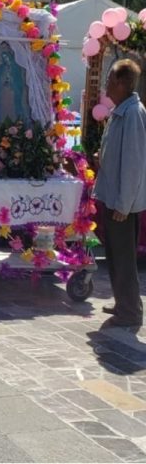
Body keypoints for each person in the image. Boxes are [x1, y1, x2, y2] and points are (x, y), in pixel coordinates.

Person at [93, 58, 146, 328]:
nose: (106, 86)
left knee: (124, 257)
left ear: (123, 83)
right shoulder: (121, 111)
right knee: (114, 253)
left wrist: (124, 205)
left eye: (110, 81)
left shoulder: (133, 113)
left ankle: (130, 311)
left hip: (122, 203)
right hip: (113, 196)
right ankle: (122, 302)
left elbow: (134, 164)